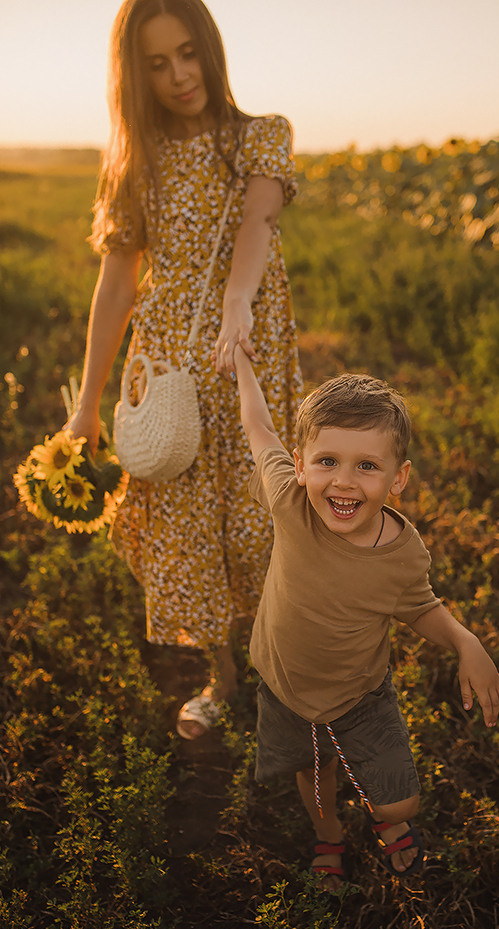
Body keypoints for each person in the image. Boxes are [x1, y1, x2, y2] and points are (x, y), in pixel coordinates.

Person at [66, 0, 302, 739]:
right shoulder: (133, 162)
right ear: (135, 75)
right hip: (169, 363)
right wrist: (86, 405)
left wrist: (236, 306)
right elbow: (115, 287)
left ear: (210, 47)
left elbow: (257, 222)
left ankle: (286, 670)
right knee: (190, 527)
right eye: (157, 63)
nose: (178, 75)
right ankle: (222, 678)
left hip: (248, 349)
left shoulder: (261, 135)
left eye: (188, 53)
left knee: (261, 521)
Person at [228, 347, 499, 886]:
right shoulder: (289, 502)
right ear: (301, 464)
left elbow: (420, 608)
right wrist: (242, 365)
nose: (344, 482)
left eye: (367, 466)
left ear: (398, 478)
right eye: (327, 461)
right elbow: (258, 427)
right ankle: (328, 833)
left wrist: (466, 642)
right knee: (314, 775)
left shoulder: (401, 553)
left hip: (360, 692)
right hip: (287, 687)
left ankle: (387, 820)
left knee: (400, 803)